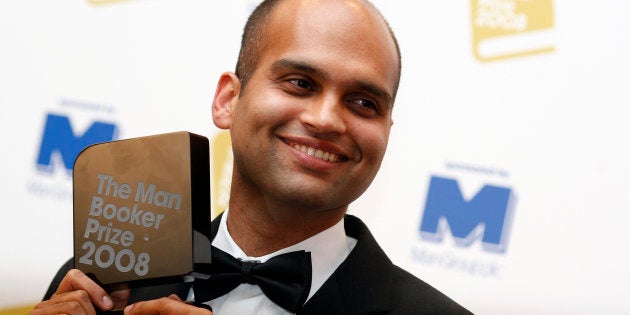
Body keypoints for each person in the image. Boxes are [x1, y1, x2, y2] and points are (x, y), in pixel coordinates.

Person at [31, 0, 472, 314]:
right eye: (300, 82)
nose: (326, 119)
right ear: (228, 100)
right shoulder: (97, 284)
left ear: (385, 133)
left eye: (363, 103)